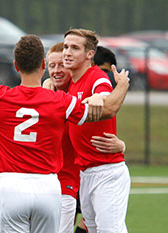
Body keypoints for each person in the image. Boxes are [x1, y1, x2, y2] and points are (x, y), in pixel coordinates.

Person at [0, 16, 129, 233]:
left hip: (12, 187)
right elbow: (108, 110)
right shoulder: (61, 101)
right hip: (49, 189)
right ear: (43, 65)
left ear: (15, 65)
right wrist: (122, 86)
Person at [44, 42, 126, 233]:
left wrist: (122, 145)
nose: (57, 70)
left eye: (62, 65)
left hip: (74, 182)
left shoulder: (80, 91)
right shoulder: (49, 94)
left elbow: (107, 105)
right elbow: (6, 125)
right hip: (56, 182)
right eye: (51, 65)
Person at [63, 28, 131, 233]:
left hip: (106, 172)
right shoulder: (72, 82)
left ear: (89, 54)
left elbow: (103, 94)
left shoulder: (96, 76)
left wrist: (98, 97)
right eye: (66, 46)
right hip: (86, 173)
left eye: (75, 48)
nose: (68, 52)